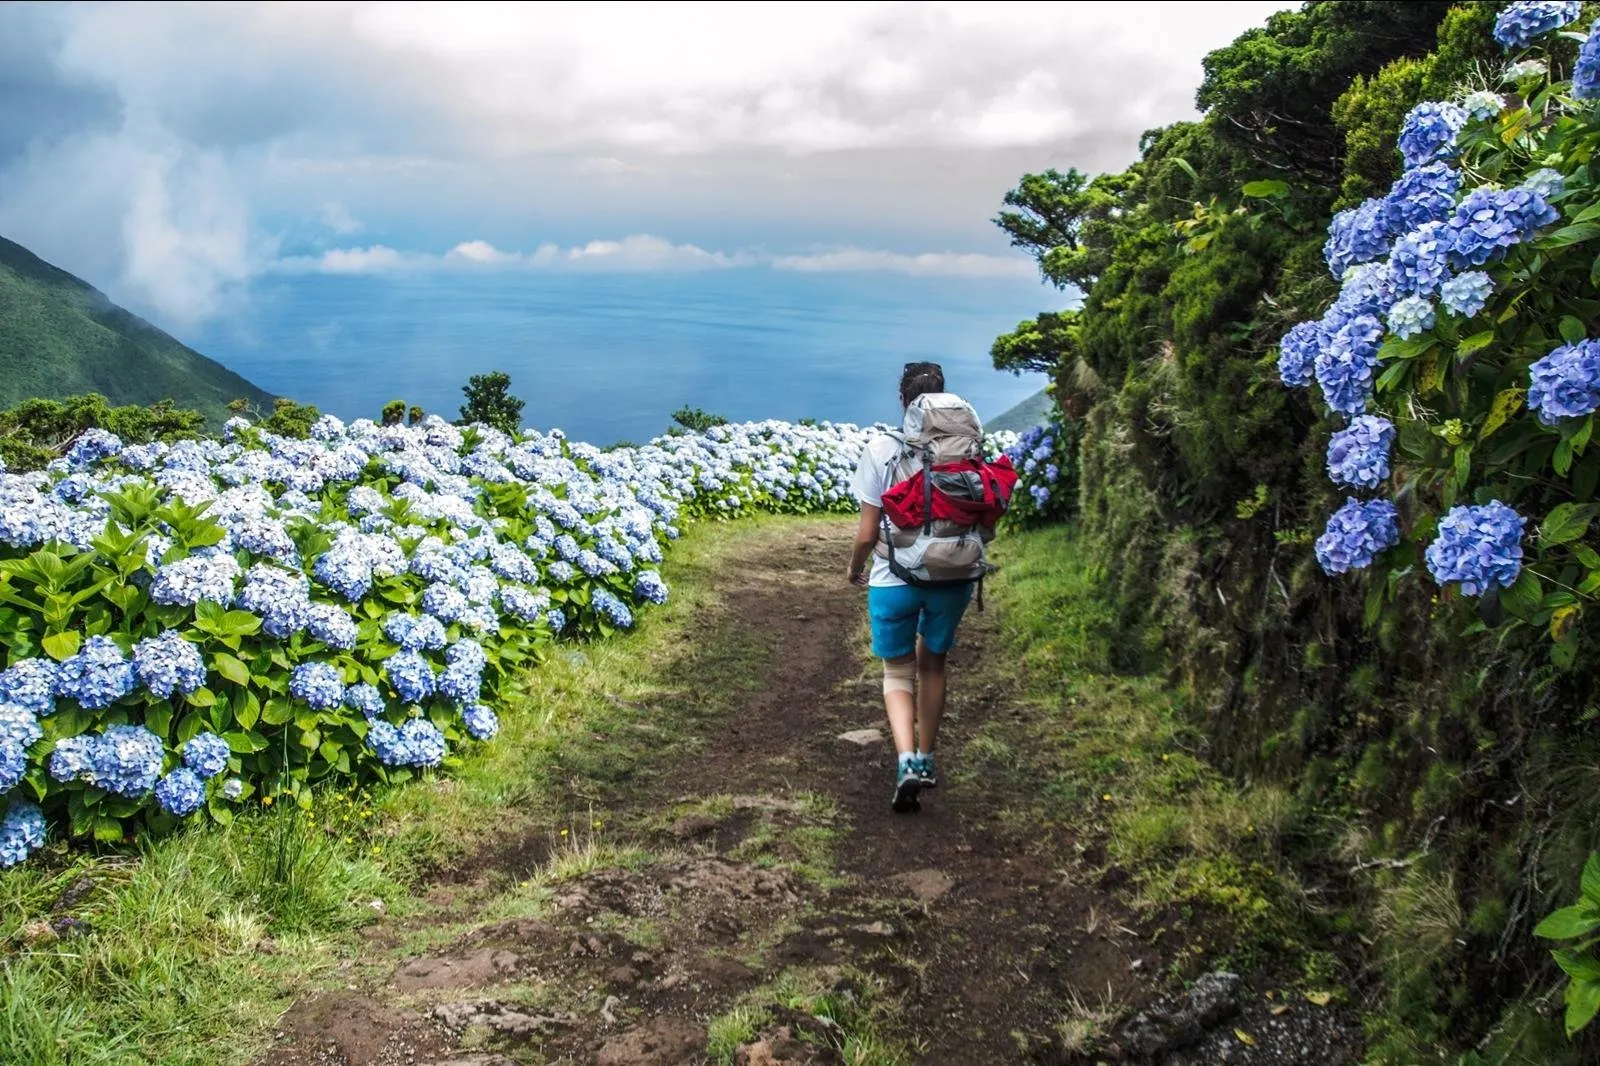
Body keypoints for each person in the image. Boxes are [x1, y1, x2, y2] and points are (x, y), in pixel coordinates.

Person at [847, 361, 984, 814]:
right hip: (953, 576)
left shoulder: (882, 450)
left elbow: (867, 534)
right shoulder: (966, 451)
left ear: (904, 401)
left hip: (893, 579)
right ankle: (927, 758)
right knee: (933, 666)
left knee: (897, 672)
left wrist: (854, 569)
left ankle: (905, 760)